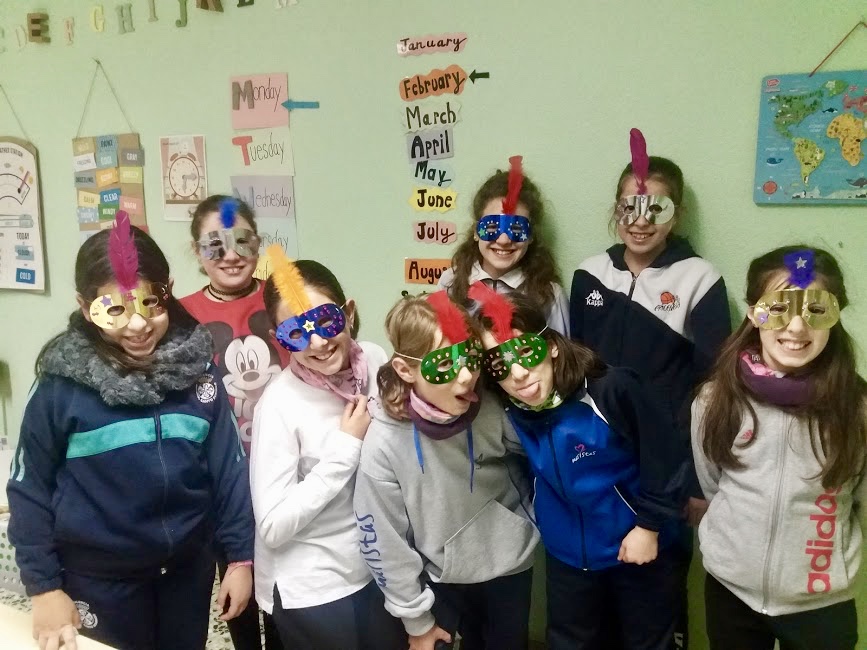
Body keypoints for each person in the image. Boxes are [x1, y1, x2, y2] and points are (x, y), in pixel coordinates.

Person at [6, 212, 254, 650]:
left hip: (185, 575)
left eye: (150, 303)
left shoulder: (199, 372)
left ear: (167, 291)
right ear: (86, 307)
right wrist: (44, 587)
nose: (137, 325)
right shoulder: (61, 386)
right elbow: (29, 487)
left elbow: (229, 470)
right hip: (98, 581)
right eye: (115, 309)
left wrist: (239, 558)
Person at [570, 129, 731, 647]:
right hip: (595, 462)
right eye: (629, 207)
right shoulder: (589, 275)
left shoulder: (699, 278)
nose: (640, 220)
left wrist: (697, 482)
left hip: (666, 468)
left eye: (655, 208)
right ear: (616, 209)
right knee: (594, 603)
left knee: (655, 606)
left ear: (675, 215)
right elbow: (574, 369)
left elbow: (713, 387)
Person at [472, 282, 687, 650]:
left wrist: (648, 526)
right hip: (568, 557)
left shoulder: (610, 389)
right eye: (499, 363)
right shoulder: (510, 407)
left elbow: (665, 456)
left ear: (552, 345)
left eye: (526, 352)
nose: (518, 373)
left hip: (635, 546)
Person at [691, 246, 866, 650]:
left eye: (816, 310)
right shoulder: (716, 399)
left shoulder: (857, 410)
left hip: (821, 600)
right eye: (779, 308)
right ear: (755, 313)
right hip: (731, 590)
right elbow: (713, 484)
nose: (797, 327)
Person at [353, 290, 540, 650]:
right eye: (443, 365)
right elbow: (384, 540)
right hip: (438, 577)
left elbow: (539, 460)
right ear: (405, 370)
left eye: (470, 357)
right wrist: (416, 620)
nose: (467, 376)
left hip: (509, 566)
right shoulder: (384, 442)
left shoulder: (491, 407)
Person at [250, 246, 406, 649]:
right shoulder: (279, 405)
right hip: (313, 585)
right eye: (296, 332)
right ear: (279, 339)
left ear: (348, 312)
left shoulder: (374, 360)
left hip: (376, 564)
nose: (318, 341)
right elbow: (272, 527)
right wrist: (344, 449)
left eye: (325, 320)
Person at [180, 195, 288, 650]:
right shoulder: (180, 316)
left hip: (284, 478)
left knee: (281, 600)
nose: (230, 255)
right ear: (196, 251)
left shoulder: (283, 299)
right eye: (214, 244)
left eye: (242, 241)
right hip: (222, 484)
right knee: (238, 596)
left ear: (258, 244)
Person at [439, 155, 569, 333]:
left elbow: (560, 349)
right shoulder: (450, 282)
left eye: (516, 229)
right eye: (492, 227)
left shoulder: (549, 295)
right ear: (476, 232)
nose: (504, 240)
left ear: (530, 236)